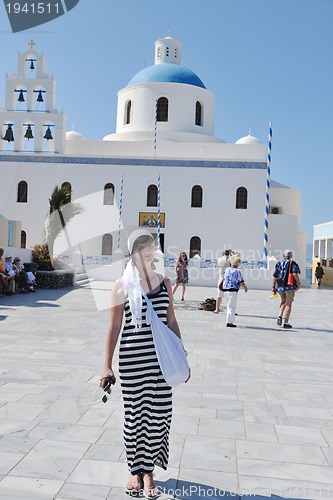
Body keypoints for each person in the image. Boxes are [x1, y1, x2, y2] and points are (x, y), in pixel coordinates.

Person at [100, 229, 190, 499]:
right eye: (141, 247)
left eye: (150, 245)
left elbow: (171, 321)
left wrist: (182, 358)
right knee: (134, 418)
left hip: (162, 363)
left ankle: (149, 470)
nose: (147, 251)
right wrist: (106, 365)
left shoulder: (165, 282)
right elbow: (114, 326)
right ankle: (135, 470)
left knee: (158, 417)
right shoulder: (122, 285)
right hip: (132, 362)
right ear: (132, 252)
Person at [272, 249, 301, 329]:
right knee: (288, 304)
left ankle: (279, 315)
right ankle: (286, 322)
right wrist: (299, 283)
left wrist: (273, 286)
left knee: (283, 302)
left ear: (283, 255)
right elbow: (295, 274)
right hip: (289, 286)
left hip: (280, 287)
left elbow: (275, 275)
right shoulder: (293, 264)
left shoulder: (279, 263)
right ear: (291, 256)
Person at [222, 255, 248, 327]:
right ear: (238, 263)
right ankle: (229, 322)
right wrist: (245, 287)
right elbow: (240, 281)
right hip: (232, 290)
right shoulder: (237, 271)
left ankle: (229, 320)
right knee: (232, 306)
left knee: (228, 306)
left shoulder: (227, 269)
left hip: (225, 289)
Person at [214, 249, 232, 314]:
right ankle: (231, 310)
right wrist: (232, 253)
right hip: (229, 279)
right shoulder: (231, 259)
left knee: (219, 295)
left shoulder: (219, 259)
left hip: (221, 279)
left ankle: (216, 309)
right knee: (230, 296)